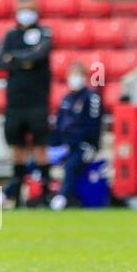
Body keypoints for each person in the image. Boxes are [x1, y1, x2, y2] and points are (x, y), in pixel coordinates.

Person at [0, 0, 53, 208]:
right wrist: (24, 59)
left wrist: (16, 58)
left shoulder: (44, 33)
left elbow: (39, 55)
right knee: (17, 149)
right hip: (15, 103)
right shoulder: (9, 36)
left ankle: (45, 194)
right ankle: (16, 195)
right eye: (22, 9)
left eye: (29, 9)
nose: (26, 13)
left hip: (37, 102)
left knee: (40, 149)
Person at [47, 61, 103, 210]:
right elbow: (58, 125)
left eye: (78, 75)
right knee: (37, 162)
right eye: (72, 75)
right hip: (65, 145)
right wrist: (54, 143)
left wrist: (75, 143)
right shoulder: (66, 99)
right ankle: (44, 195)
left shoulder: (91, 97)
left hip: (85, 145)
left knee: (72, 166)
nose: (74, 79)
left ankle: (62, 197)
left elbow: (93, 126)